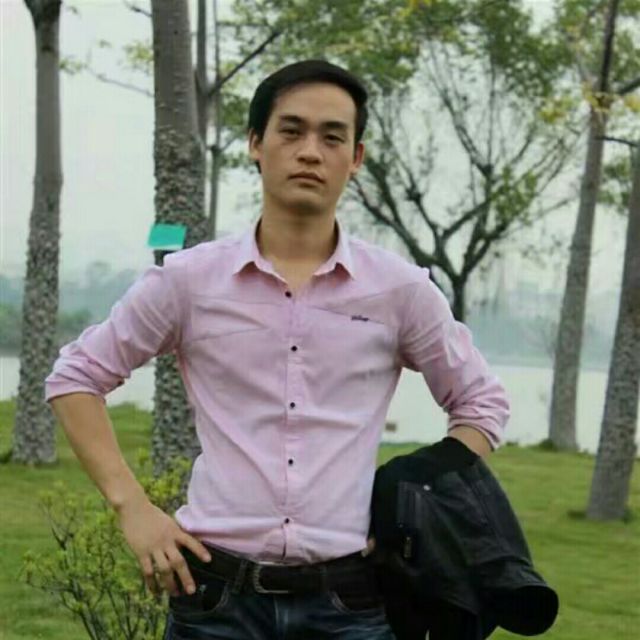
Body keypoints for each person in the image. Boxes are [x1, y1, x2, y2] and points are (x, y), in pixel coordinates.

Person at [45, 59, 510, 639]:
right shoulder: (189, 281)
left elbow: (481, 404)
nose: (310, 152)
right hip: (214, 600)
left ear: (355, 158)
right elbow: (76, 378)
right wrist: (132, 508)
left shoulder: (400, 290)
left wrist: (412, 489)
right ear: (256, 144)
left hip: (350, 604)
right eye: (291, 131)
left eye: (332, 137)